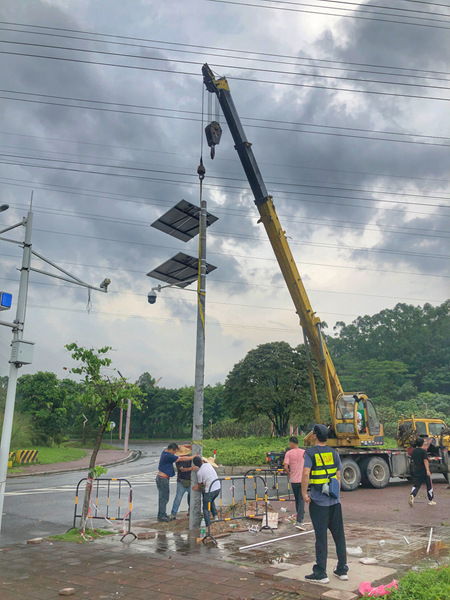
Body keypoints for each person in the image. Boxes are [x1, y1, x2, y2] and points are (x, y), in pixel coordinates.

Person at [301, 424, 348, 584]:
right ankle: (342, 570)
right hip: (335, 501)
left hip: (319, 503)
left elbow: (306, 473)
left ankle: (321, 572)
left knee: (321, 538)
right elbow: (339, 477)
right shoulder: (334, 453)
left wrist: (304, 494)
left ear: (314, 436)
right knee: (339, 536)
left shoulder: (310, 453)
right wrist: (336, 495)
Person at [156, 443, 197, 522]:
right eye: (174, 452)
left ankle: (162, 514)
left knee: (164, 497)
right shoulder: (168, 456)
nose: (175, 453)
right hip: (163, 479)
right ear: (171, 450)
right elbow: (181, 459)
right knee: (164, 498)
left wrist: (186, 446)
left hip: (162, 478)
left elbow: (177, 447)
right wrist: (193, 457)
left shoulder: (165, 452)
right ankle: (161, 516)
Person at [283, 435, 306, 530]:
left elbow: (285, 467)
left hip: (294, 480)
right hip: (303, 480)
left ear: (292, 443)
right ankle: (300, 520)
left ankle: (299, 518)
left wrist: (289, 473)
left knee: (297, 499)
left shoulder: (288, 453)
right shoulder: (304, 452)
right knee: (302, 499)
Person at [192, 456, 221, 527]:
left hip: (210, 490)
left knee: (205, 508)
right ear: (202, 461)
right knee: (210, 501)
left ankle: (208, 524)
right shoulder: (208, 465)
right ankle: (215, 515)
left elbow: (199, 485)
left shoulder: (199, 472)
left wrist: (195, 487)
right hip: (218, 488)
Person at [409, 437, 436, 507]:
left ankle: (412, 494)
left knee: (417, 484)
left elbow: (412, 460)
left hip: (417, 469)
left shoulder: (414, 451)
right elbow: (425, 460)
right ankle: (431, 500)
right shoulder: (423, 451)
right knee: (429, 484)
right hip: (423, 470)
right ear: (422, 443)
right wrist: (427, 470)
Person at [170, 445, 195, 519]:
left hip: (187, 480)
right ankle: (173, 513)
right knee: (178, 498)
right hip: (182, 481)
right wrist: (191, 468)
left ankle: (190, 511)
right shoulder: (179, 460)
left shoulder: (190, 458)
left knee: (190, 497)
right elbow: (182, 469)